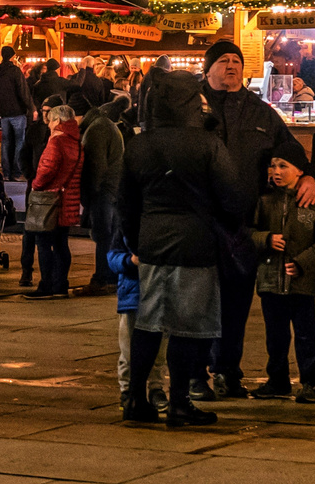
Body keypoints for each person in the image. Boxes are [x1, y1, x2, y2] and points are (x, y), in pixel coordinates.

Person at [120, 69, 240, 427]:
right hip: (196, 244)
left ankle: (136, 398)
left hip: (153, 244)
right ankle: (179, 403)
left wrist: (136, 241)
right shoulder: (207, 144)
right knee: (187, 327)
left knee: (149, 323)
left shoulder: (139, 144)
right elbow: (232, 198)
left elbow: (124, 203)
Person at [199, 39, 315, 400]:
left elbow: (290, 148)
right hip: (202, 221)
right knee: (200, 303)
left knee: (235, 304)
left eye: (236, 60)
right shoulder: (191, 106)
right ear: (208, 70)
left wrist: (308, 174)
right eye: (223, 61)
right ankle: (192, 374)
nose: (231, 66)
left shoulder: (259, 111)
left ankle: (226, 372)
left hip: (245, 224)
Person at [251, 139, 315, 403]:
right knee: (275, 336)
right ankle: (277, 380)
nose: (275, 171)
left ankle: (312, 383)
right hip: (270, 280)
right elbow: (247, 233)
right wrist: (265, 239)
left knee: (306, 335)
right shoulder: (264, 200)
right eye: (272, 165)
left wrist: (302, 262)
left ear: (300, 171)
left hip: (301, 283)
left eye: (283, 166)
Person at [26, 104, 84, 300]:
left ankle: (46, 285)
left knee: (43, 243)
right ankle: (61, 285)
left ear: (58, 121)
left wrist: (36, 184)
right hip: (68, 200)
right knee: (61, 244)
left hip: (50, 200)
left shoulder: (56, 141)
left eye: (50, 120)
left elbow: (47, 169)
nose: (49, 124)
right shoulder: (76, 142)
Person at [108, 230, 168, 415]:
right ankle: (127, 390)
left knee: (159, 350)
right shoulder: (126, 229)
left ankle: (156, 388)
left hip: (158, 296)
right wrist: (129, 261)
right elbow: (112, 258)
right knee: (128, 350)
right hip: (132, 298)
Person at [77, 92, 126, 295]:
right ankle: (111, 277)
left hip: (104, 192)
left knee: (102, 235)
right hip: (114, 189)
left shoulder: (96, 130)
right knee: (111, 235)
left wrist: (89, 197)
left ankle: (102, 279)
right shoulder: (105, 125)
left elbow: (96, 167)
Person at [17, 96, 55, 287]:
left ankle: (48, 274)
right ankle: (27, 270)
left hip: (51, 187)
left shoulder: (57, 132)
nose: (45, 115)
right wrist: (30, 174)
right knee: (29, 230)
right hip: (34, 184)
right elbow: (23, 153)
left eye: (49, 111)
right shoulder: (35, 129)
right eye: (43, 111)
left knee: (49, 233)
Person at [0, 45, 32, 181]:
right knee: (19, 141)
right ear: (13, 56)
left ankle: (6, 172)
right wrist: (30, 107)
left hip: (3, 112)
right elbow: (23, 91)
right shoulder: (15, 71)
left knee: (6, 142)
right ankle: (17, 171)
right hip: (17, 111)